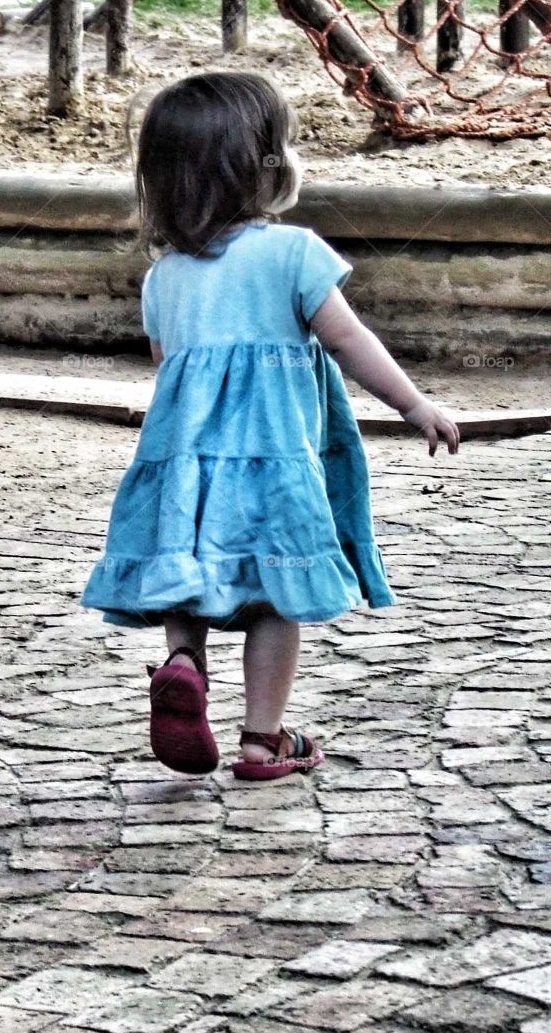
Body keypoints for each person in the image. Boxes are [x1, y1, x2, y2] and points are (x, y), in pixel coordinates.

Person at [80, 72, 459, 781]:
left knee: (184, 572)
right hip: (274, 464)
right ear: (263, 165)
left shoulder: (165, 277)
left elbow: (169, 370)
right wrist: (413, 405)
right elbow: (348, 341)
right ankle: (262, 741)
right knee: (274, 597)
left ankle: (184, 660)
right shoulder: (293, 254)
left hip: (184, 467)